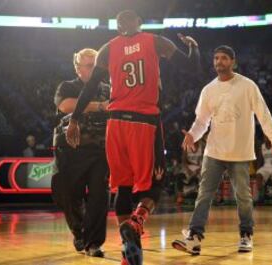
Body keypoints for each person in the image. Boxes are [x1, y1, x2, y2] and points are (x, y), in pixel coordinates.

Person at [66, 10, 200, 265]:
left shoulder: (107, 48)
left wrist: (74, 119)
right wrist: (193, 48)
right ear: (139, 23)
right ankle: (137, 221)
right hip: (143, 122)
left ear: (118, 28)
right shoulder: (155, 41)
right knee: (156, 183)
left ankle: (129, 249)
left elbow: (91, 86)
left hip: (115, 124)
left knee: (123, 187)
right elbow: (192, 67)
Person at [172, 45, 272, 255]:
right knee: (204, 195)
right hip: (214, 151)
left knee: (243, 196)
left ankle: (246, 235)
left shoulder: (247, 86)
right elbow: (202, 121)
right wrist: (192, 135)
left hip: (240, 152)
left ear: (233, 61)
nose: (219, 62)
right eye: (216, 58)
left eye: (223, 58)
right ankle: (194, 237)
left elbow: (264, 114)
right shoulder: (208, 89)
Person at [51, 48, 110, 257]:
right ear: (78, 69)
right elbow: (66, 105)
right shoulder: (68, 86)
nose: (94, 69)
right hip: (70, 150)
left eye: (97, 65)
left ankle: (94, 242)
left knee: (99, 197)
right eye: (89, 66)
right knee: (67, 193)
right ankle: (80, 232)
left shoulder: (108, 89)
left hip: (100, 149)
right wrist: (100, 106)